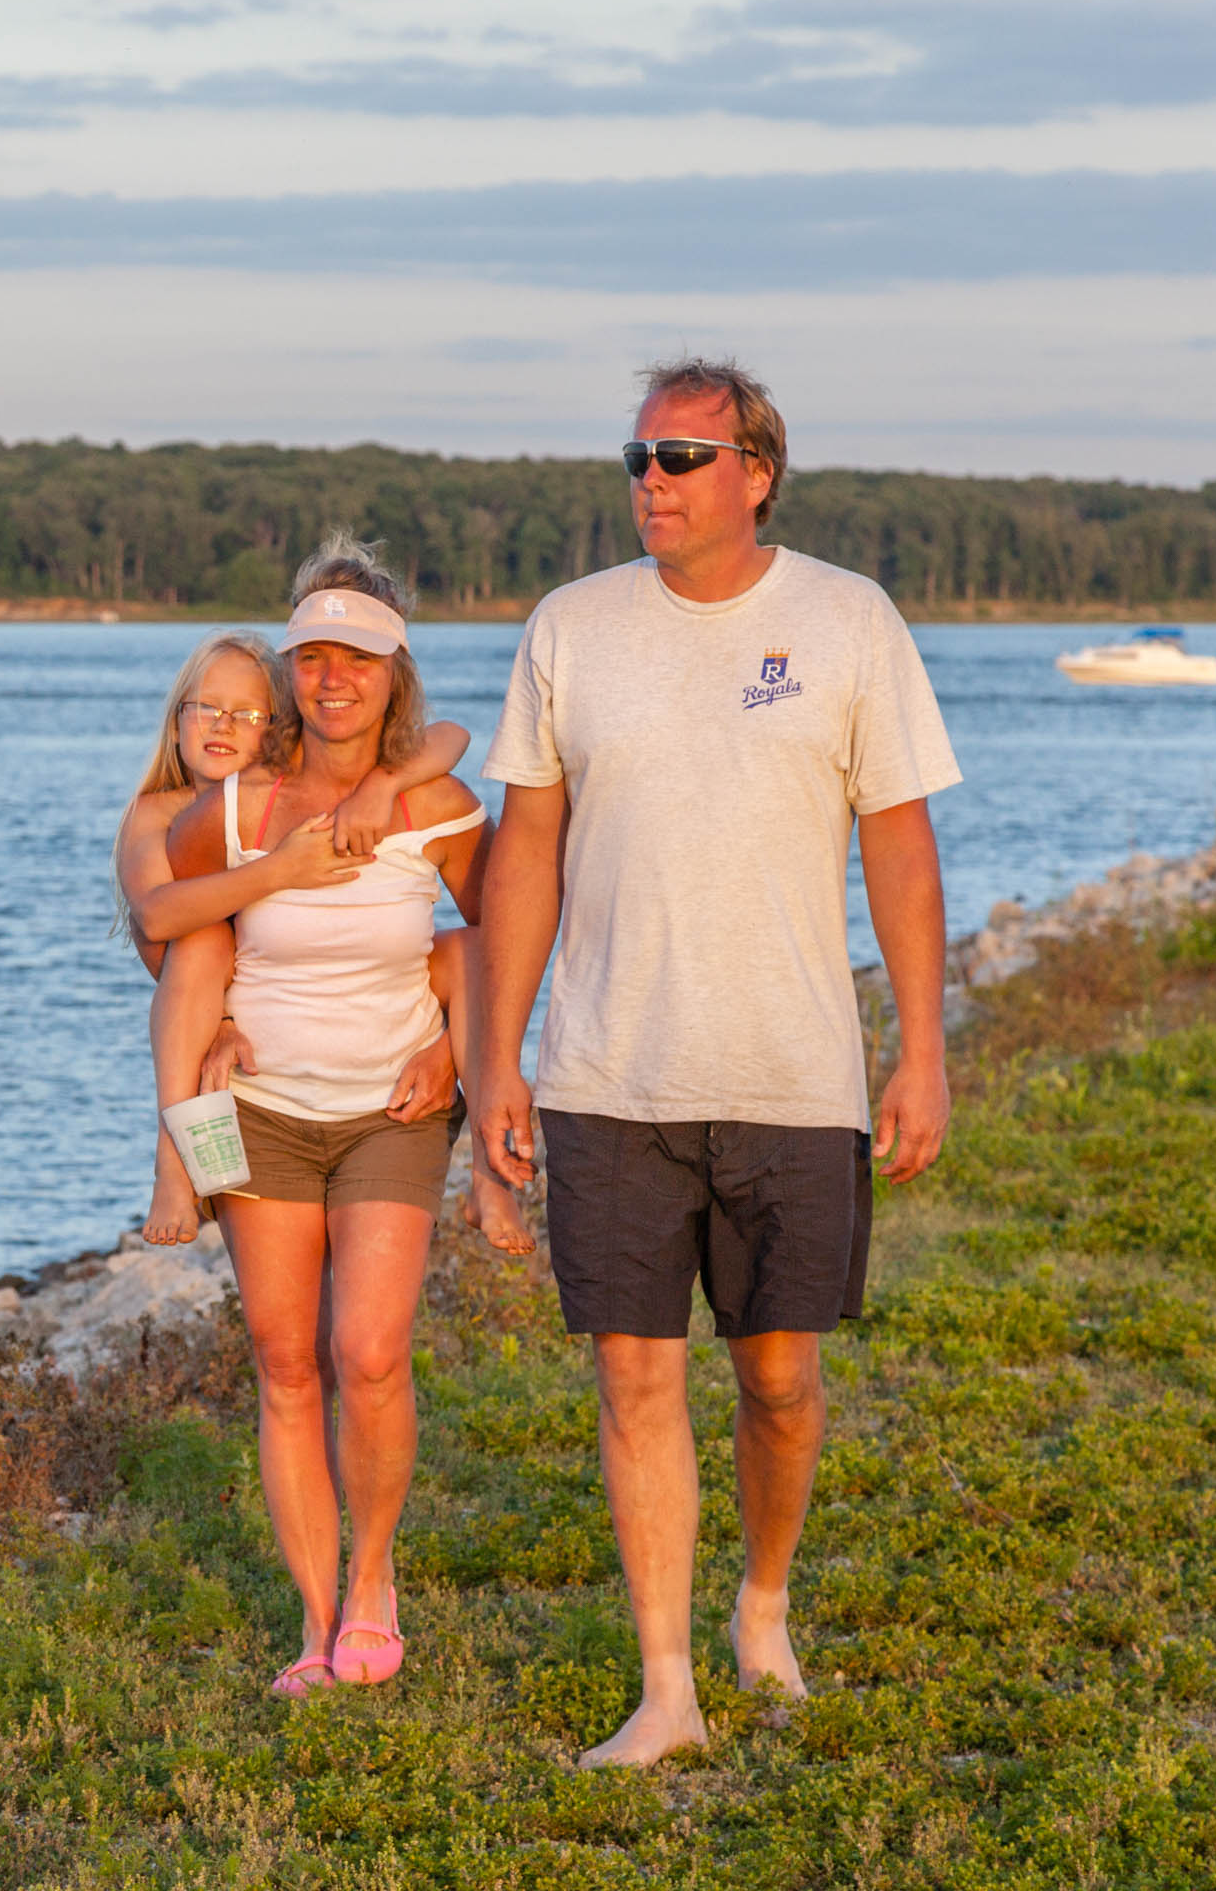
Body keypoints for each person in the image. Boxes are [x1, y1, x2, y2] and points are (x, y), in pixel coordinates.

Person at [468, 358, 959, 1768]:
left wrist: (921, 1051)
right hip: (608, 1075)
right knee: (635, 1378)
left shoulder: (849, 620)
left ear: (757, 471)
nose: (653, 480)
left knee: (780, 1380)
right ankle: (667, 1687)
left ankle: (763, 1601)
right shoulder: (571, 627)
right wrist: (498, 1054)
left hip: (792, 1074)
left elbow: (901, 849)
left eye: (685, 456)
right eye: (639, 455)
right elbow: (527, 851)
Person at [162, 535, 523, 1698]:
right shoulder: (233, 811)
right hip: (254, 1113)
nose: (331, 678)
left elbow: (502, 939)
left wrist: (455, 1051)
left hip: (391, 1110)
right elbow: (166, 931)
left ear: (393, 673)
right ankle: (316, 1623)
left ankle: (375, 1578)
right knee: (283, 1361)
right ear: (287, 673)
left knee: (366, 1353)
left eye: (355, 659)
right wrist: (207, 1035)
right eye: (311, 657)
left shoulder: (435, 802)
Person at [114, 635, 470, 1243]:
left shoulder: (280, 799)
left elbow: (453, 736)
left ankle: (472, 1114)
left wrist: (382, 785)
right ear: (176, 723)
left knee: (456, 949)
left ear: (279, 728)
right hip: (205, 1001)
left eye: (248, 714)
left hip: (309, 1018)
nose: (223, 725)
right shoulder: (159, 810)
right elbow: (156, 917)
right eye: (205, 707)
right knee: (202, 944)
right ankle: (173, 1162)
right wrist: (278, 870)